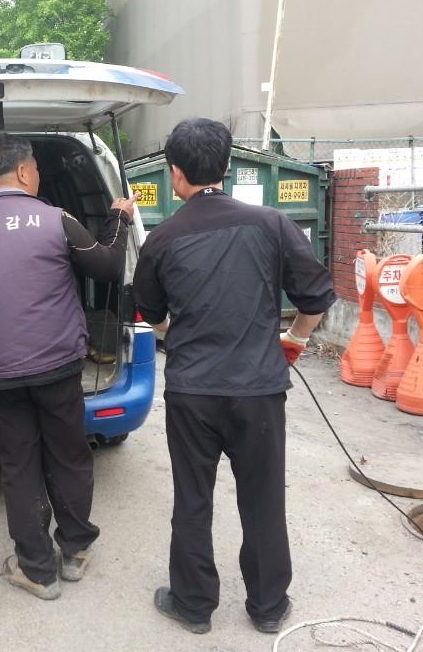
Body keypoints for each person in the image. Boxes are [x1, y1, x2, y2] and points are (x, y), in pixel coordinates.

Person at [131, 118, 336, 635]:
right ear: (225, 166)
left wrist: (176, 331)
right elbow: (315, 297)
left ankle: (193, 604)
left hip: (192, 392)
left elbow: (151, 315)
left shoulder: (162, 238)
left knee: (192, 497)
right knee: (263, 497)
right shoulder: (272, 224)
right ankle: (268, 607)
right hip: (258, 390)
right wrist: (295, 340)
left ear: (175, 173)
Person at [0, 133, 139, 600]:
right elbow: (106, 267)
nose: (39, 176)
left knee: (18, 464)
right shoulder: (56, 220)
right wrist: (119, 219)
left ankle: (37, 569)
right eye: (38, 169)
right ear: (24, 171)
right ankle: (76, 550)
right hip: (58, 367)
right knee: (68, 455)